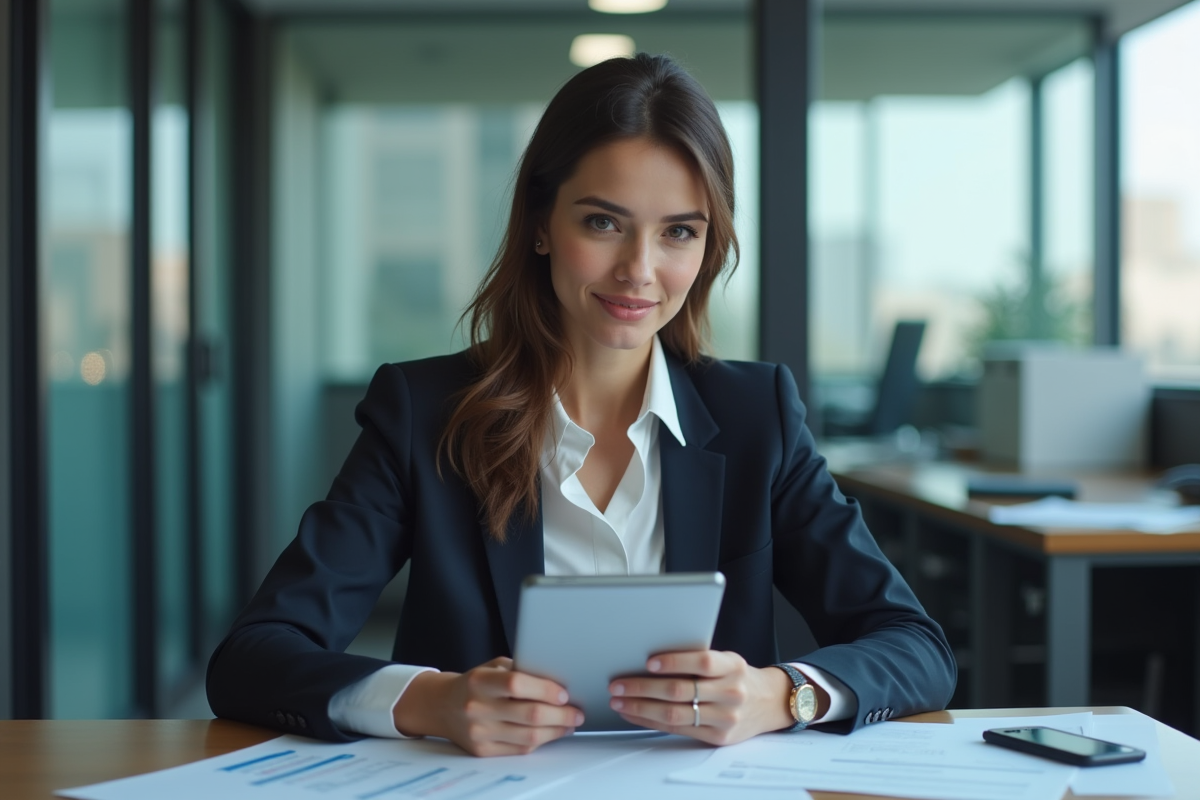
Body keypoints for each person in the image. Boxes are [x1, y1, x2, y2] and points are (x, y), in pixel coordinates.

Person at [207, 53, 956, 758]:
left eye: (679, 232)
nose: (639, 270)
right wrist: (431, 702)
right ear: (541, 223)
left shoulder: (758, 414)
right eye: (603, 222)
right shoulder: (423, 412)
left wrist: (781, 694)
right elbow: (252, 657)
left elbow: (915, 646)